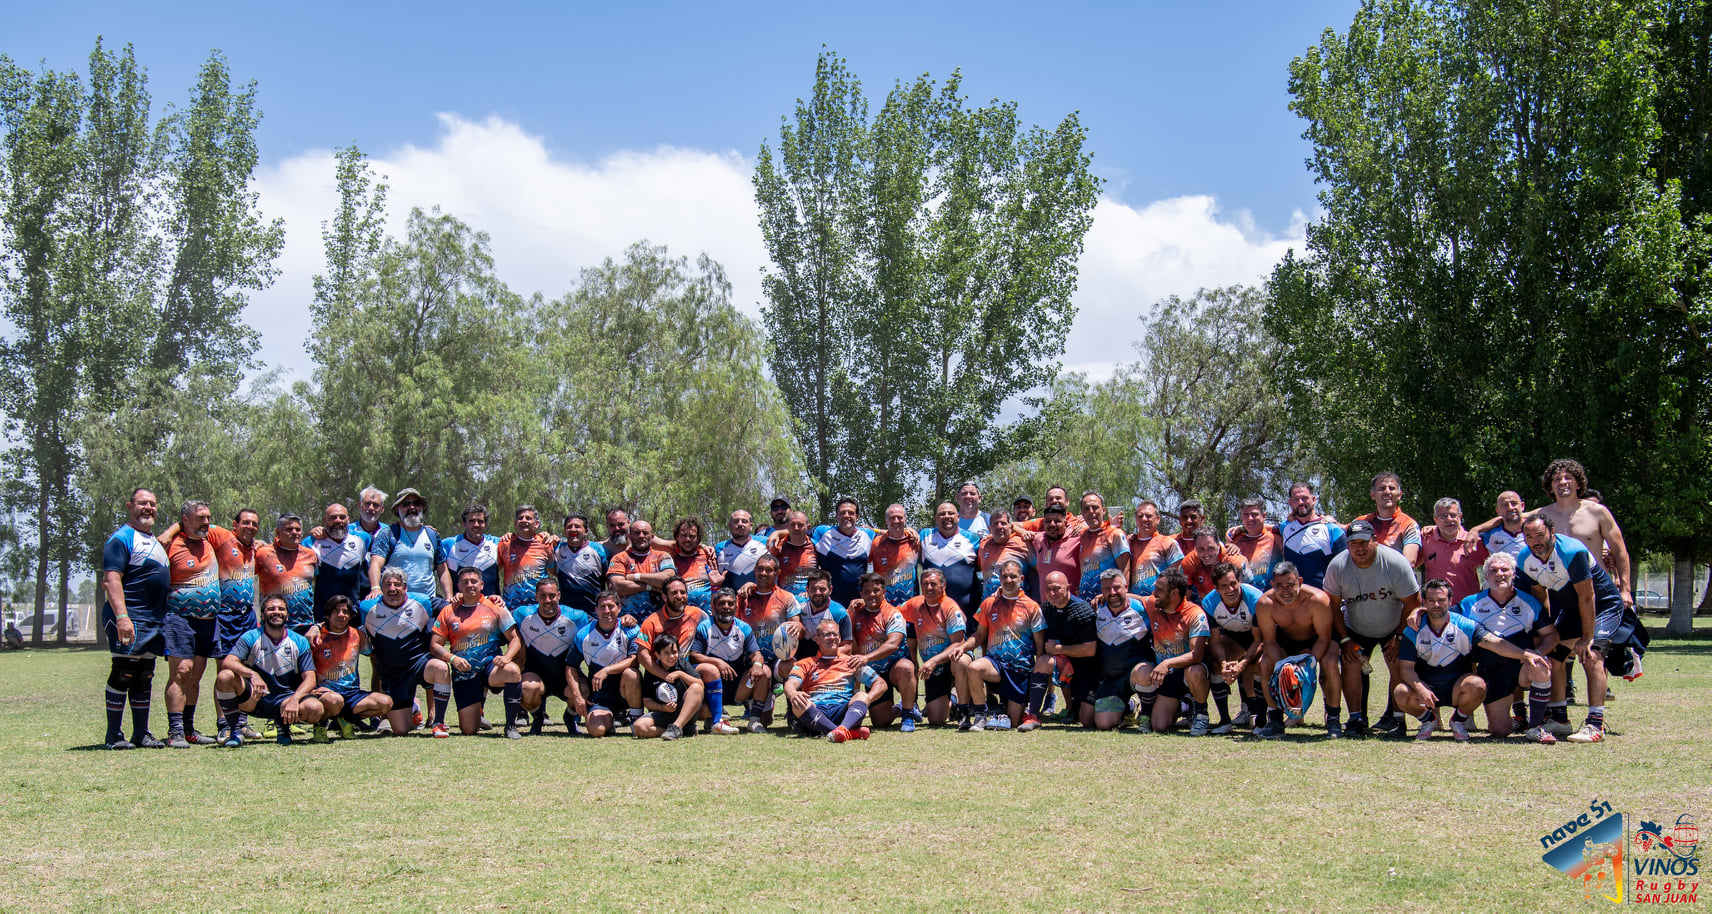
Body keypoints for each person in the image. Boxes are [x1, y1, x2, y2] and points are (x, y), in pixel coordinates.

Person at [1514, 513, 1646, 743]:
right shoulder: (1525, 558)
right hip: (1572, 609)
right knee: (1554, 653)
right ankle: (1560, 719)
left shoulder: (1572, 551)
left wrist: (1586, 637)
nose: (1535, 541)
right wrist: (1548, 630)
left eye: (1540, 534)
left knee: (1591, 654)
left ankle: (1595, 724)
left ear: (1552, 533)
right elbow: (1539, 597)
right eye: (1529, 536)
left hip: (1603, 605)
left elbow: (1588, 597)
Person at [1396, 579, 1553, 742]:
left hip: (1459, 688)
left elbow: (1495, 643)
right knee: (1400, 692)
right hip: (1427, 688)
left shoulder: (1464, 624)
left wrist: (1525, 655)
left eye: (1441, 600)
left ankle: (1458, 721)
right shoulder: (1414, 629)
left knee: (1478, 686)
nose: (1436, 604)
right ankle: (1429, 720)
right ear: (1424, 602)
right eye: (1431, 600)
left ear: (1450, 601)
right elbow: (1406, 668)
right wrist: (1420, 689)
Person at [1323, 519, 1421, 737]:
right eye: (1353, 543)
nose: (1359, 547)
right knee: (1350, 663)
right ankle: (1356, 718)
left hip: (1393, 626)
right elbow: (1333, 606)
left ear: (1375, 541)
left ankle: (1397, 720)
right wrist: (1346, 640)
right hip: (1356, 627)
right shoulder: (1338, 566)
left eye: (1364, 542)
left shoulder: (1395, 562)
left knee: (1397, 663)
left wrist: (1398, 636)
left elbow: (1413, 602)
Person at [1456, 552, 1560, 742]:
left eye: (1505, 570)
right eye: (1493, 570)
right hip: (1491, 671)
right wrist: (1419, 611)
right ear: (1486, 576)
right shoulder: (1470, 603)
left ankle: (1536, 727)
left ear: (1513, 574)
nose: (1499, 574)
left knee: (1541, 666)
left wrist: (1537, 654)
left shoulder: (1529, 602)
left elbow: (1552, 635)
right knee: (1500, 731)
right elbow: (1444, 619)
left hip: (1522, 666)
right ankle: (1510, 719)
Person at [100, 488, 172, 750]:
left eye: (153, 504)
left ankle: (140, 733)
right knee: (124, 672)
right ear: (130, 506)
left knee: (144, 675)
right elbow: (111, 580)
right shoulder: (121, 538)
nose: (148, 508)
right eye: (143, 503)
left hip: (153, 620)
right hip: (131, 617)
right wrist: (122, 617)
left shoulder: (152, 540)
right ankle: (113, 736)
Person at [215, 594, 327, 746]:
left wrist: (294, 700)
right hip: (254, 699)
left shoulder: (299, 641)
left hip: (285, 700)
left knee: (315, 709)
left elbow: (310, 678)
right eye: (271, 609)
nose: (276, 612)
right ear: (262, 614)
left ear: (287, 615)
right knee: (225, 676)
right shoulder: (251, 637)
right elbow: (228, 661)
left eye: (281, 609)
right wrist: (252, 675)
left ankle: (283, 726)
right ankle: (235, 731)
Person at [428, 566, 524, 738]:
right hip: (464, 673)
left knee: (512, 671)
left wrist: (507, 657)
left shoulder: (495, 606)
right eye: (465, 582)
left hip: (490, 668)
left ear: (481, 584)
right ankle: (477, 709)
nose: (470, 585)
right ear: (458, 585)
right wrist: (452, 659)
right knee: (469, 729)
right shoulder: (448, 610)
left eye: (474, 581)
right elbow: (435, 645)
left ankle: (510, 726)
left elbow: (515, 639)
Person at [1252, 561, 1341, 739]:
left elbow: (1324, 637)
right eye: (1280, 586)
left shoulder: (1318, 599)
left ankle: (1333, 719)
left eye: (1291, 585)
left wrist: (1308, 663)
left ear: (1299, 581)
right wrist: (1282, 668)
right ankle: (1275, 720)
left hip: (1317, 638)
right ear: (1272, 585)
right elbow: (1269, 641)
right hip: (1286, 640)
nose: (1285, 591)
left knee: (1330, 663)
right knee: (1266, 663)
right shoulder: (1265, 603)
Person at [161, 500, 223, 748]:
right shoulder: (172, 544)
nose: (206, 522)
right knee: (181, 672)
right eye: (200, 518)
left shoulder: (211, 540)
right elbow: (158, 545)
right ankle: (174, 731)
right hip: (179, 618)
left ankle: (189, 730)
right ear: (185, 520)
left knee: (196, 675)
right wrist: (174, 528)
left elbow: (241, 537)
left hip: (208, 620)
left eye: (208, 517)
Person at [1535, 458, 1634, 609]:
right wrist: (1484, 528)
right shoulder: (1541, 516)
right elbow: (1509, 517)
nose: (1562, 482)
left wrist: (1625, 590)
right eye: (1556, 479)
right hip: (1560, 589)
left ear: (1578, 483)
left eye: (1568, 478)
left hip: (1597, 586)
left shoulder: (1598, 512)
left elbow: (1620, 551)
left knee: (1601, 633)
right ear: (1550, 487)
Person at [360, 567, 447, 738]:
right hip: (394, 675)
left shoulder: (422, 601)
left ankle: (439, 723)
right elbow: (340, 614)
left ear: (405, 587)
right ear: (381, 587)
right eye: (388, 584)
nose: (392, 588)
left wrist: (489, 601)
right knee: (401, 730)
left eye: (397, 585)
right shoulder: (367, 607)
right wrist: (317, 628)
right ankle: (414, 709)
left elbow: (454, 608)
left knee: (441, 668)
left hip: (419, 665)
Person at [962, 559, 1046, 732]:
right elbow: (979, 635)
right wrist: (963, 647)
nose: (1008, 580)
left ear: (1021, 579)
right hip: (996, 664)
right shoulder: (988, 603)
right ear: (999, 578)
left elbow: (1040, 643)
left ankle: (1007, 711)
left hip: (1020, 668)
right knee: (974, 668)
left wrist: (1037, 670)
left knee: (1014, 722)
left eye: (1013, 576)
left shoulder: (1032, 607)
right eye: (1005, 576)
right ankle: (980, 715)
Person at [783, 619, 889, 742]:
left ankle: (842, 729)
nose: (832, 638)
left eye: (835, 634)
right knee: (798, 705)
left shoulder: (851, 662)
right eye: (827, 634)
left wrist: (867, 699)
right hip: (816, 711)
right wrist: (794, 694)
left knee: (861, 695)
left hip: (844, 712)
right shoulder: (805, 663)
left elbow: (881, 684)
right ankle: (847, 732)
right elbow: (790, 684)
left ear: (839, 638)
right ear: (817, 639)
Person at [306, 595, 392, 741]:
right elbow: (302, 666)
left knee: (385, 703)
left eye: (345, 612)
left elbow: (372, 655)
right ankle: (320, 726)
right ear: (328, 614)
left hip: (352, 694)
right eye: (336, 611)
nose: (341, 615)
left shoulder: (357, 635)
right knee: (334, 700)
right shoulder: (317, 637)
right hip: (327, 694)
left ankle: (346, 719)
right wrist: (311, 689)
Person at [1138, 567, 1212, 734]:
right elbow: (1136, 599)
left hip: (1188, 671)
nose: (1154, 592)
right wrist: (1107, 596)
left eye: (1159, 589)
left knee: (1195, 672)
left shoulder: (1194, 614)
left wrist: (1167, 662)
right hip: (1167, 676)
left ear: (1174, 593)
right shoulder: (1154, 604)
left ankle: (1201, 714)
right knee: (1159, 725)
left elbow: (1197, 654)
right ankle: (1185, 706)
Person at [512, 578, 590, 735]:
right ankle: (538, 717)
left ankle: (570, 717)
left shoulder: (577, 617)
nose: (548, 600)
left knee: (584, 689)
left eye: (552, 595)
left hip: (565, 675)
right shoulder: (522, 614)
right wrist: (493, 600)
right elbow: (500, 620)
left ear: (559, 595)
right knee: (525, 689)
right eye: (543, 596)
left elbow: (599, 627)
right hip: (535, 674)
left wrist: (623, 621)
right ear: (536, 597)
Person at [1200, 562, 1266, 734]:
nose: (1230, 589)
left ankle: (1258, 716)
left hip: (1258, 638)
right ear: (1216, 588)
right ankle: (1224, 721)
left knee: (1255, 664)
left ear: (1239, 581)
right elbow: (1214, 641)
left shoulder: (1256, 599)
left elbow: (1260, 639)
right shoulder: (1209, 602)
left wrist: (1241, 665)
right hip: (1233, 637)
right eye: (1224, 586)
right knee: (1215, 664)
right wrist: (1224, 664)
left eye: (1233, 583)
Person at [687, 588, 763, 735]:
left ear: (736, 606)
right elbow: (694, 655)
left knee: (764, 671)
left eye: (730, 603)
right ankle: (713, 717)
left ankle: (754, 720)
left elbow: (757, 654)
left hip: (738, 688)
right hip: (711, 686)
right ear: (714, 607)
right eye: (721, 603)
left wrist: (757, 664)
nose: (726, 607)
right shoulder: (705, 627)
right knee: (710, 671)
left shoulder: (743, 628)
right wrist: (717, 662)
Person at [900, 568, 968, 727]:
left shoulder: (950, 607)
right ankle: (952, 700)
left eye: (933, 584)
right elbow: (891, 613)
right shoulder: (915, 604)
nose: (929, 588)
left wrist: (933, 661)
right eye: (925, 584)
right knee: (936, 719)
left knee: (961, 661)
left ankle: (965, 708)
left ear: (943, 585)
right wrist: (863, 604)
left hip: (951, 662)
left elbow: (958, 643)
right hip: (935, 670)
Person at [846, 572, 915, 730]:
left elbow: (893, 644)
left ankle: (908, 714)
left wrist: (866, 658)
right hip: (874, 673)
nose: (871, 594)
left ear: (884, 592)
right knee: (880, 722)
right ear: (861, 594)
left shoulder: (892, 613)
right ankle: (898, 709)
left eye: (876, 590)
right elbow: (848, 643)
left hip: (894, 667)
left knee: (906, 667)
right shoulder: (856, 613)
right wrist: (849, 614)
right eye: (867, 591)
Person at [1090, 569, 1155, 732]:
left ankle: (1146, 716)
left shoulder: (1143, 609)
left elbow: (1158, 603)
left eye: (1117, 587)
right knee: (1103, 724)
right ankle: (1129, 707)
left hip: (1136, 674)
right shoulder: (1097, 611)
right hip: (1112, 678)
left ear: (1126, 587)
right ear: (1101, 591)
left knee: (1144, 672)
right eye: (1107, 589)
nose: (1112, 592)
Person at [572, 591, 643, 738]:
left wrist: (607, 670)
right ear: (596, 609)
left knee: (632, 673)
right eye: (602, 607)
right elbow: (570, 666)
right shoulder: (583, 635)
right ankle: (612, 719)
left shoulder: (630, 629)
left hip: (625, 690)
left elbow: (635, 660)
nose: (607, 611)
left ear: (619, 608)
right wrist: (577, 695)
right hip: (600, 695)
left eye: (611, 606)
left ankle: (635, 718)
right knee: (596, 730)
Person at [735, 554, 799, 716]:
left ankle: (793, 711)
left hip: (778, 660)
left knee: (792, 667)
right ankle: (758, 702)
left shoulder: (786, 597)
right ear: (754, 571)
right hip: (753, 661)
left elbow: (797, 624)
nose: (763, 573)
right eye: (760, 569)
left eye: (769, 570)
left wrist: (797, 626)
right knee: (765, 720)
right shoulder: (743, 597)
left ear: (777, 572)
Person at [1035, 571, 1099, 729]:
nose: (1052, 593)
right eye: (1048, 589)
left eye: (1057, 589)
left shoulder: (1083, 611)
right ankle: (1034, 713)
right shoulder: (1047, 608)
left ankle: (1126, 706)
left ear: (1068, 587)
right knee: (1043, 661)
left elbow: (1090, 650)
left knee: (1088, 721)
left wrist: (1059, 649)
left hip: (1089, 669)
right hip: (1065, 664)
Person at [368, 488, 451, 601]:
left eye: (416, 504)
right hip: (396, 603)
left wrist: (449, 596)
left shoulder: (432, 535)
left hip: (428, 602)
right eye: (406, 504)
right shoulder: (388, 534)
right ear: (397, 509)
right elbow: (375, 564)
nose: (412, 507)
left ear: (422, 508)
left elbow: (443, 570)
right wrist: (376, 588)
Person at [632, 631, 704, 741]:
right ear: (657, 655)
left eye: (674, 652)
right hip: (663, 713)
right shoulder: (652, 670)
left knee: (696, 688)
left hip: (685, 712)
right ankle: (681, 731)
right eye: (666, 653)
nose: (671, 656)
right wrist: (663, 708)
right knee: (639, 727)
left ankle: (677, 727)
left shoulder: (682, 664)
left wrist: (681, 674)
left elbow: (700, 685)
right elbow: (647, 701)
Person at [1416, 497, 1488, 603]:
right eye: (1443, 516)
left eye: (1453, 515)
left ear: (1460, 516)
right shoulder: (1426, 539)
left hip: (1467, 609)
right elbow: (1411, 564)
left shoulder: (1474, 542)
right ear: (1435, 519)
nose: (1449, 519)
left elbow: (1495, 567)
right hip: (1436, 609)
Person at [309, 503, 370, 624]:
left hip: (353, 612)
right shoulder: (311, 542)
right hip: (324, 614)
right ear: (325, 520)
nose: (338, 521)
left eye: (342, 517)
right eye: (333, 517)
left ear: (348, 519)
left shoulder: (363, 539)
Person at [257, 514, 319, 632]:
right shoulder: (263, 554)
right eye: (289, 529)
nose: (294, 532)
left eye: (297, 529)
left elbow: (314, 583)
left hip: (306, 624)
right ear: (278, 532)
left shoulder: (310, 555)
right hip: (275, 624)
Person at [1279, 481, 1346, 589]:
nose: (1301, 502)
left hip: (1325, 597)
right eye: (1296, 499)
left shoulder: (1331, 529)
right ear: (1290, 502)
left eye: (1305, 498)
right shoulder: (1285, 527)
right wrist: (1241, 528)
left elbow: (1344, 568)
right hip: (1294, 598)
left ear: (1313, 500)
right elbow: (1261, 528)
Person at [920, 502, 981, 620]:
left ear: (958, 517)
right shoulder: (924, 535)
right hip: (932, 614)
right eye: (942, 514)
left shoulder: (973, 538)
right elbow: (897, 533)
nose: (947, 516)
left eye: (951, 513)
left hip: (966, 612)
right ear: (936, 518)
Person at [607, 519, 674, 623]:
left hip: (661, 622)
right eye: (637, 533)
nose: (641, 536)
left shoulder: (662, 556)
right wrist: (650, 586)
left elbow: (668, 579)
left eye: (645, 533)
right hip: (628, 621)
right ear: (629, 536)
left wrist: (635, 577)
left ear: (652, 537)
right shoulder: (619, 558)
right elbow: (618, 585)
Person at [1352, 471, 1422, 564]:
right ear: (1373, 495)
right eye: (1382, 488)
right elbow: (1343, 530)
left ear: (1399, 495)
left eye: (1392, 488)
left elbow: (1409, 562)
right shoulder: (1361, 522)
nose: (1387, 492)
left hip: (1397, 577)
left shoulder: (1408, 524)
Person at [498, 504, 558, 611]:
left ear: (536, 524)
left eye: (528, 518)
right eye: (520, 518)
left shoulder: (545, 543)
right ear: (515, 524)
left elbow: (553, 572)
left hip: (540, 608)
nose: (524, 520)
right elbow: (495, 572)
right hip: (512, 607)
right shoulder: (505, 544)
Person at [1076, 492, 1132, 602]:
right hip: (1086, 601)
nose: (1091, 512)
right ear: (1082, 513)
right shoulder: (1083, 536)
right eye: (1086, 509)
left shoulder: (1115, 534)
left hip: (1108, 601)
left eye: (1095, 507)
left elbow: (1125, 570)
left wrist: (1120, 597)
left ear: (1104, 510)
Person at [553, 513, 608, 614]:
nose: (573, 529)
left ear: (586, 531)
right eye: (569, 527)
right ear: (565, 531)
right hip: (566, 614)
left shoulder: (598, 549)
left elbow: (609, 581)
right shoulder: (557, 549)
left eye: (577, 526)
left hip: (594, 612)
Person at [442, 502, 501, 598]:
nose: (476, 525)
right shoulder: (448, 544)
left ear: (485, 525)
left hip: (491, 606)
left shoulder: (497, 543)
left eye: (480, 521)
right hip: (459, 606)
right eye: (471, 521)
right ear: (464, 524)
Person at [1125, 499, 1182, 597]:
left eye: (1149, 516)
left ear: (1158, 519)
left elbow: (1175, 577)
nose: (1144, 519)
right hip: (1134, 604)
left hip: (1159, 602)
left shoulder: (1168, 542)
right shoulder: (1129, 543)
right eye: (1140, 516)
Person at [870, 503, 922, 605]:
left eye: (899, 517)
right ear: (886, 520)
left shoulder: (915, 541)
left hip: (910, 606)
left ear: (905, 519)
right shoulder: (876, 542)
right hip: (883, 606)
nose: (896, 521)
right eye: (892, 518)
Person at [1178, 527, 1248, 602]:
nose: (1206, 554)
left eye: (1211, 548)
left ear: (1218, 545)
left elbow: (1250, 592)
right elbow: (1184, 598)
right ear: (1195, 548)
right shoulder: (1188, 563)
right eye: (1201, 549)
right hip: (1205, 605)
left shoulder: (1235, 561)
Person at [977, 510, 1035, 599]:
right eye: (995, 524)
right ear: (989, 529)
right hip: (989, 605)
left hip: (1018, 605)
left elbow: (1040, 570)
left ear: (1011, 526)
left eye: (1003, 523)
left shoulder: (1023, 544)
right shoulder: (983, 545)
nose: (999, 527)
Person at [1226, 498, 1282, 590]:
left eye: (1254, 514)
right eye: (1246, 515)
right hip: (1244, 596)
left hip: (1271, 596)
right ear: (1241, 517)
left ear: (1264, 516)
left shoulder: (1276, 538)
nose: (1250, 518)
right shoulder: (1234, 540)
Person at [1030, 504, 1082, 603]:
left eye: (1057, 521)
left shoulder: (1077, 538)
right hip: (1048, 610)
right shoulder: (1039, 539)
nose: (1052, 525)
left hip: (1072, 608)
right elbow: (1015, 528)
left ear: (1065, 522)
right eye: (1048, 521)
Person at [714, 509, 768, 592]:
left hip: (760, 599)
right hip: (731, 602)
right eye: (736, 521)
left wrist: (778, 533)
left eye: (744, 521)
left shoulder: (765, 542)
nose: (740, 524)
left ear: (751, 526)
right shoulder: (720, 548)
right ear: (730, 525)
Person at [770, 511, 819, 598]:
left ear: (808, 527)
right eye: (792, 525)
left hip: (810, 601)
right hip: (785, 600)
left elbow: (823, 572)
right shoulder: (778, 546)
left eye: (800, 525)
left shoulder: (816, 546)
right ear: (787, 527)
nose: (796, 528)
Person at [1476, 490, 1530, 559]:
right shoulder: (1488, 536)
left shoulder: (1535, 530)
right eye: (1505, 505)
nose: (1510, 508)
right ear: (1498, 511)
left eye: (1514, 503)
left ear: (1522, 506)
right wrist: (1475, 530)